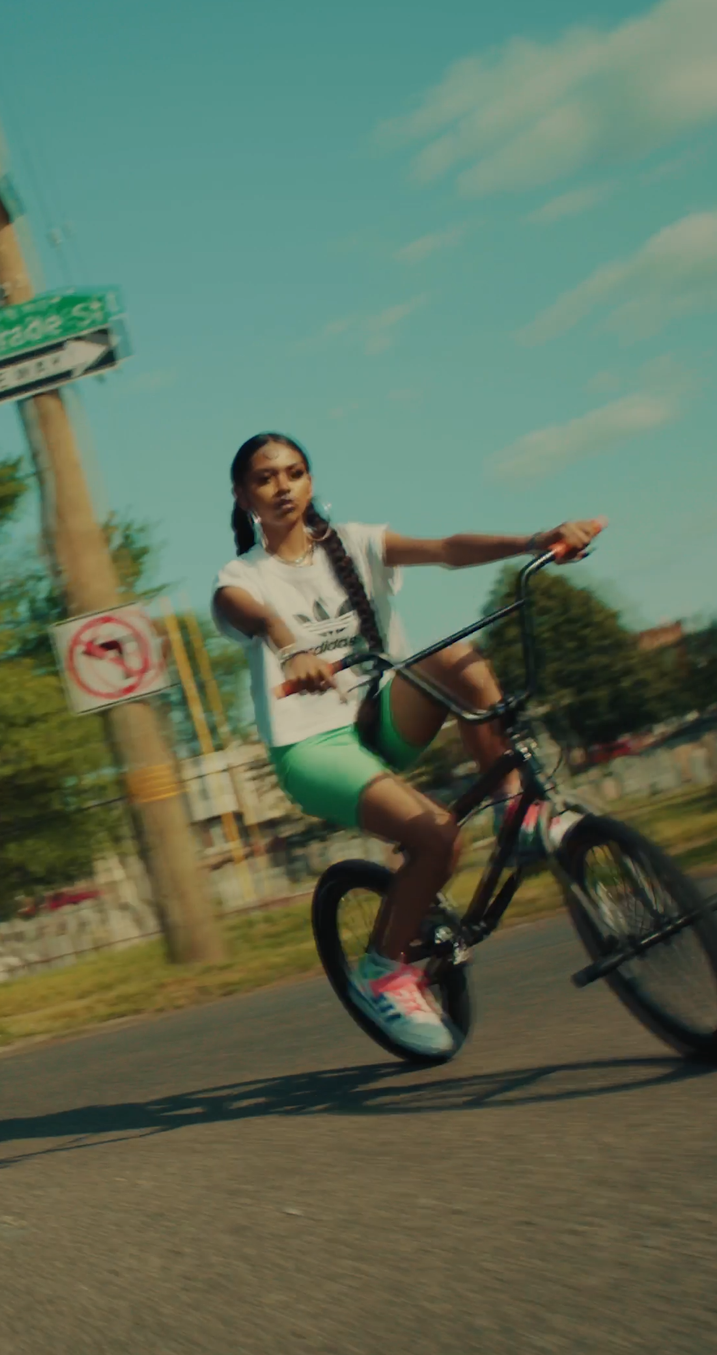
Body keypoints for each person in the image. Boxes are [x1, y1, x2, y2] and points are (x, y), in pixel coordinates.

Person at [210, 432, 600, 1058]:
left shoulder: (356, 544)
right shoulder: (242, 575)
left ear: (310, 482)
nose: (283, 486)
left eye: (295, 472)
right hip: (314, 746)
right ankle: (382, 971)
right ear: (242, 495)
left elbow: (445, 549)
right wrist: (292, 645)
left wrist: (536, 541)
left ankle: (516, 812)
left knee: (459, 657)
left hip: (380, 715)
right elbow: (240, 610)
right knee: (440, 839)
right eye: (265, 478)